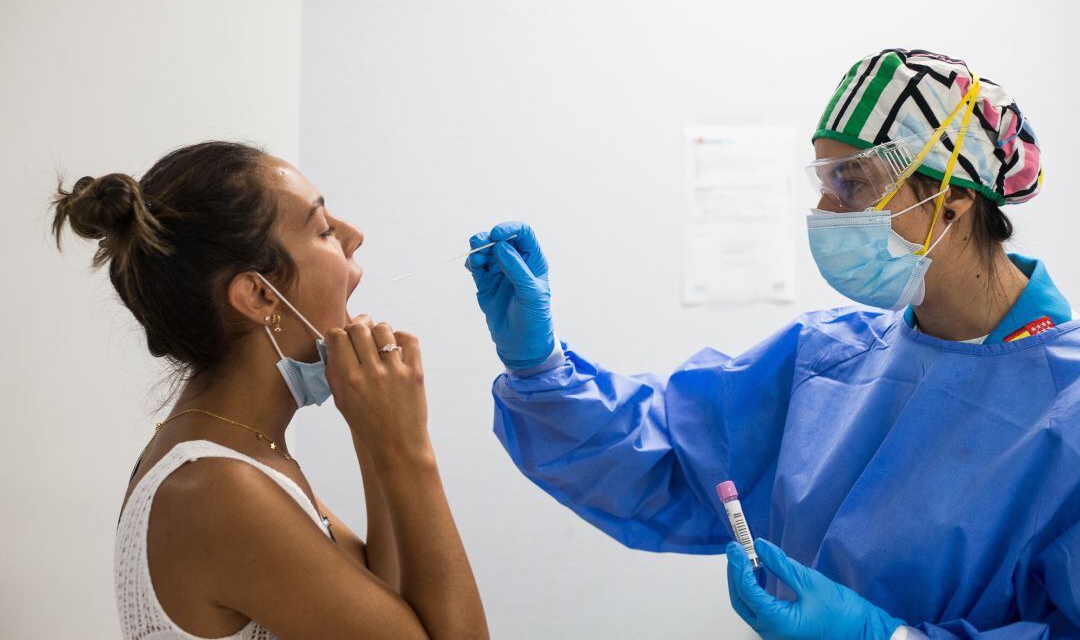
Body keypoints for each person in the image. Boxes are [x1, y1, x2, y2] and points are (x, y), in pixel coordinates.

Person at [464, 49, 1079, 639]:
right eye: (823, 180)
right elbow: (666, 456)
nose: (824, 208)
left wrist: (885, 636)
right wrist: (541, 365)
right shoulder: (828, 358)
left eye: (853, 181)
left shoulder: (1067, 411)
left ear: (955, 198)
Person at [51, 142, 488, 639]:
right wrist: (408, 450)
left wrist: (373, 432)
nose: (355, 236)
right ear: (260, 295)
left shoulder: (245, 455)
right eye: (324, 229)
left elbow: (384, 603)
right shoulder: (216, 490)